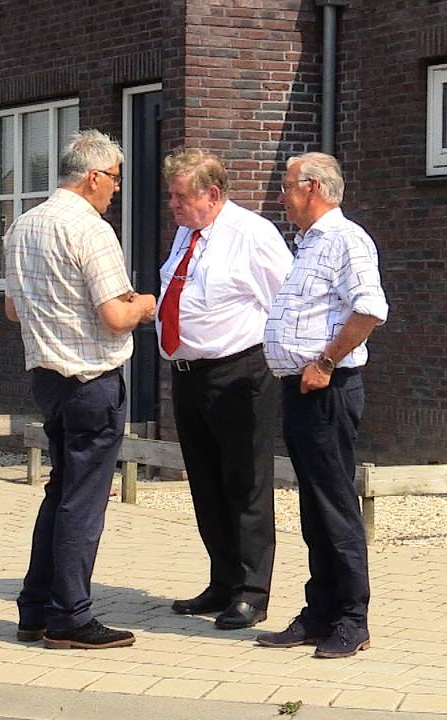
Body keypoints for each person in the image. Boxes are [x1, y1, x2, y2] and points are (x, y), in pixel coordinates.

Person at [3, 129, 157, 650]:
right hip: (91, 378)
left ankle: (35, 609)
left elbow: (11, 308)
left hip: (45, 378)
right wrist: (146, 304)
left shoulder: (23, 225)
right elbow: (116, 315)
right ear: (93, 177)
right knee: (83, 502)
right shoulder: (91, 231)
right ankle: (70, 615)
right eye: (114, 178)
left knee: (59, 491)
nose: (116, 189)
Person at [258, 152, 389, 659]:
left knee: (334, 507)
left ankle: (352, 619)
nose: (282, 196)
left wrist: (326, 363)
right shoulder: (308, 244)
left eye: (287, 186)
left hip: (327, 389)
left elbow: (370, 308)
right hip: (300, 388)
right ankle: (319, 611)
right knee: (313, 508)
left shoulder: (345, 240)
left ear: (312, 187)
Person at [157, 149, 292, 630]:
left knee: (246, 483)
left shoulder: (252, 234)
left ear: (212, 194)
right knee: (206, 482)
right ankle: (222, 580)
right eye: (171, 195)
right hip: (190, 373)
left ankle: (253, 592)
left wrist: (292, 368)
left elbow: (286, 301)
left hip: (240, 373)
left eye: (180, 196)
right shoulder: (187, 232)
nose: (171, 204)